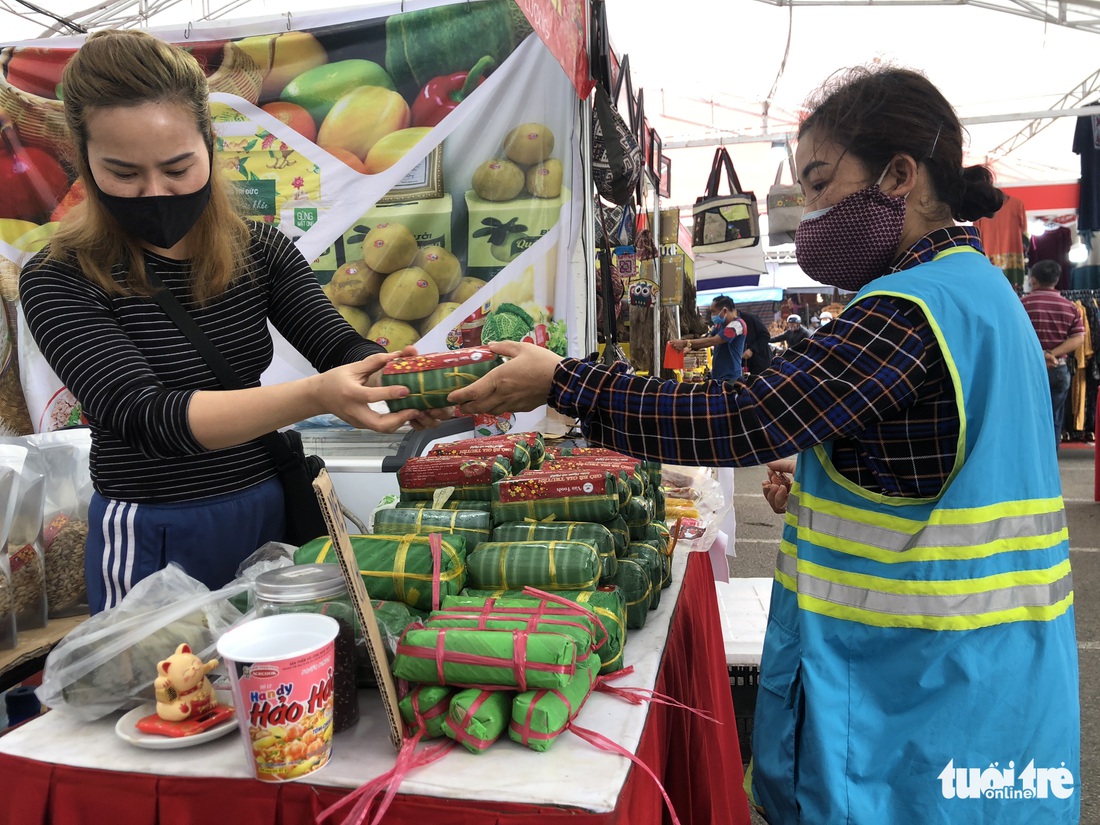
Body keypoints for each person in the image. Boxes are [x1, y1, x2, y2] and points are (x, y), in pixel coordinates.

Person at [451, 66, 1079, 824]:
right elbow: (941, 462)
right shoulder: (983, 293)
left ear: (900, 176)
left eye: (818, 184)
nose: (806, 213)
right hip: (996, 689)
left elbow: (743, 415)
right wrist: (835, 466)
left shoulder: (908, 310)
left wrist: (565, 383)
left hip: (910, 710)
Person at [19, 30, 442, 614]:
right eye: (122, 173)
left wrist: (421, 383)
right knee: (166, 698)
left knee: (294, 692)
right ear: (83, 160)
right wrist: (317, 394)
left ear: (209, 145)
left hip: (267, 514)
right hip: (152, 535)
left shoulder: (258, 250)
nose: (154, 193)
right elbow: (147, 416)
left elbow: (338, 346)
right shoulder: (59, 277)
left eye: (176, 167)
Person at [1021, 259, 1085, 449]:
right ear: (1056, 280)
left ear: (1033, 280)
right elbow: (1079, 338)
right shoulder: (1070, 307)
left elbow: (1015, 337)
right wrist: (1051, 353)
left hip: (1029, 368)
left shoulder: (1022, 305)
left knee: (1027, 417)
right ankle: (1050, 459)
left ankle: (1030, 459)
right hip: (1058, 368)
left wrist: (1040, 355)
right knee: (1055, 418)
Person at [668, 295, 746, 383]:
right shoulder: (720, 325)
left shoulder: (737, 325)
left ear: (724, 311)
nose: (712, 315)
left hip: (730, 377)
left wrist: (686, 343)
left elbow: (712, 341)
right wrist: (689, 348)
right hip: (718, 375)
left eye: (713, 312)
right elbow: (707, 337)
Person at [738, 306, 773, 376]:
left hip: (761, 360)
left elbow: (765, 336)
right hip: (745, 363)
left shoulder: (750, 318)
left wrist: (752, 350)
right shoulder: (727, 324)